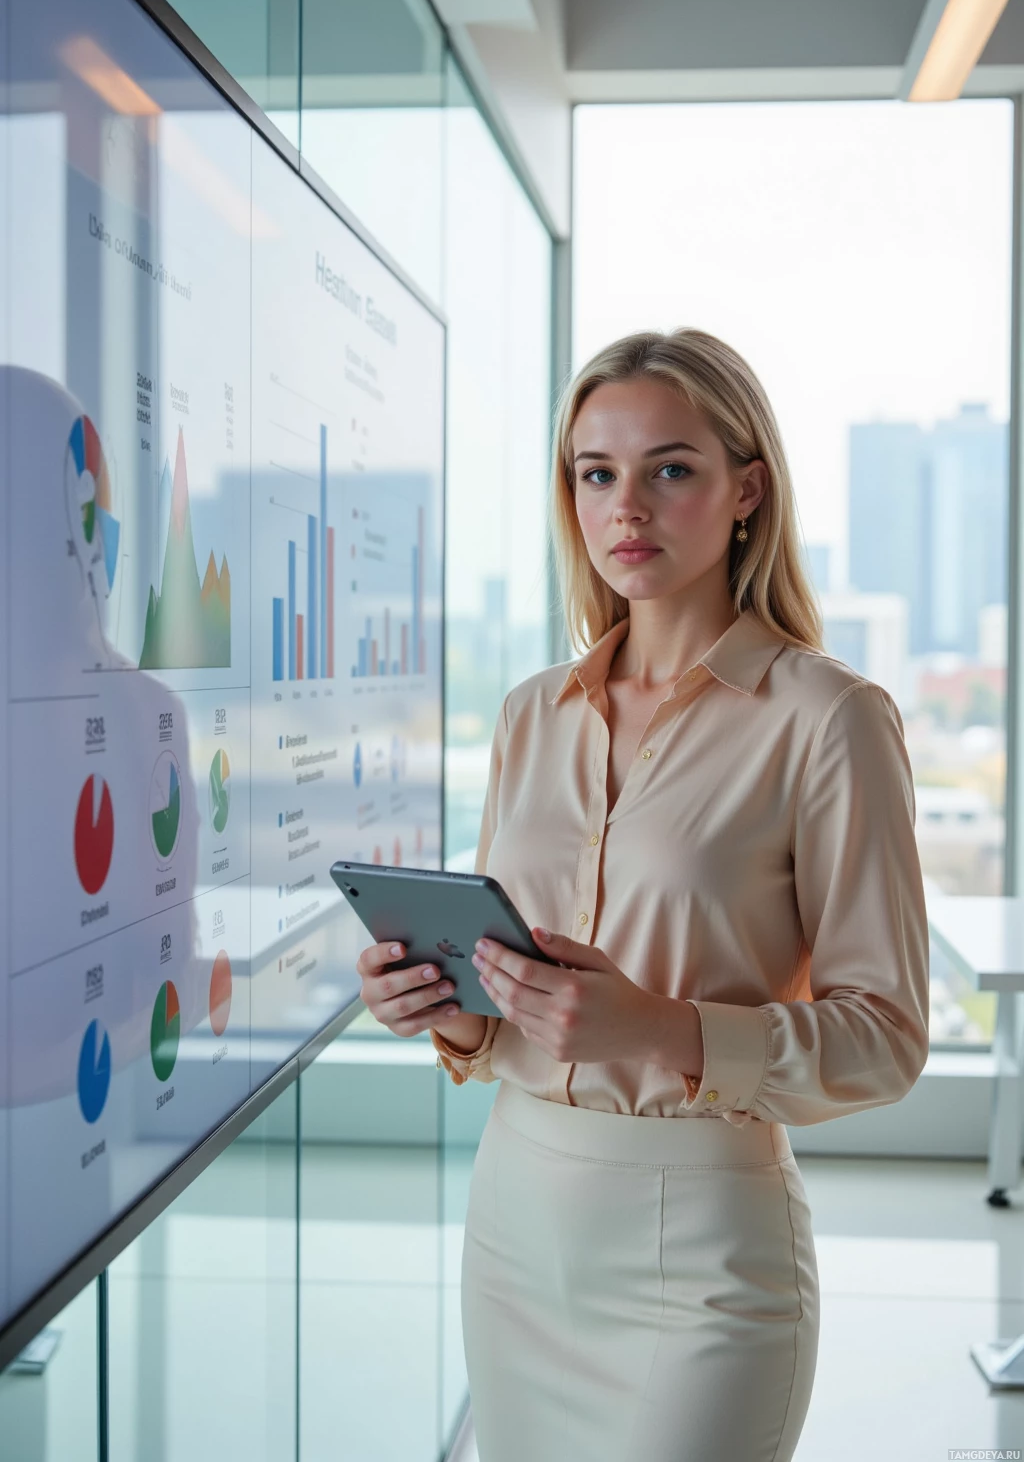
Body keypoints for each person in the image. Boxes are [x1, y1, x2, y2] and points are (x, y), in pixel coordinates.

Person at [356, 328, 930, 1462]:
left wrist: (658, 1029)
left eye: (670, 469)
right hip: (515, 1226)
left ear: (744, 492)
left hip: (705, 1253)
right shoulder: (532, 713)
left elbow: (888, 1040)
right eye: (595, 473)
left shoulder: (827, 718)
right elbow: (514, 1003)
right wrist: (449, 1009)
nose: (628, 507)